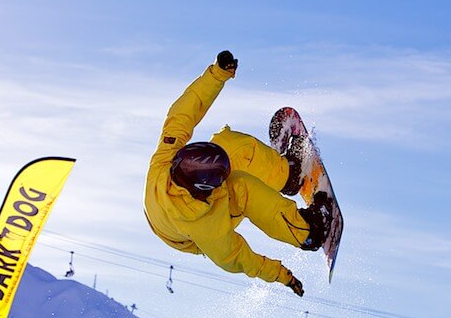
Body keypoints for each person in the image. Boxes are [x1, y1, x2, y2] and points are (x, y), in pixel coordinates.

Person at [143, 50, 333, 297]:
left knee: (231, 145)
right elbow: (236, 258)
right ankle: (307, 233)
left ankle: (288, 175)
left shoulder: (164, 159)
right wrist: (280, 274)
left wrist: (217, 74)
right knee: (243, 188)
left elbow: (184, 111)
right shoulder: (206, 226)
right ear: (207, 190)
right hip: (184, 234)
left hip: (179, 200)